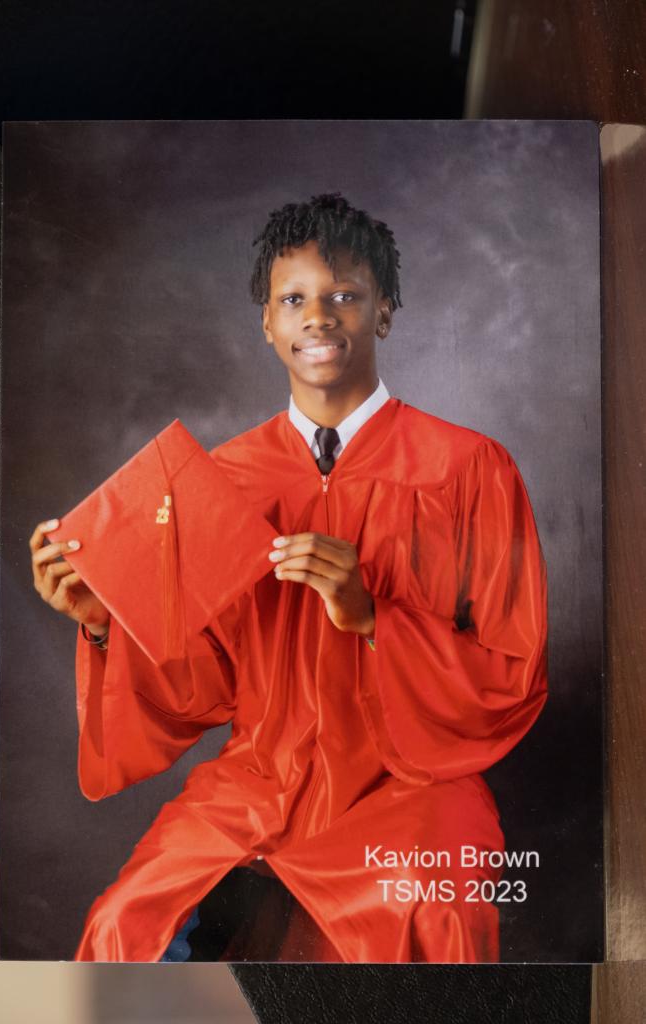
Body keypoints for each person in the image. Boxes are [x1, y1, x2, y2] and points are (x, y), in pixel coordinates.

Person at [29, 192, 548, 963]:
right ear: (266, 322)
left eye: (345, 296)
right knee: (123, 924)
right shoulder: (221, 482)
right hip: (260, 774)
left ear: (384, 312)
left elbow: (514, 668)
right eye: (294, 299)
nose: (319, 317)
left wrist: (375, 617)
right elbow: (198, 681)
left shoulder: (467, 467)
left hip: (411, 784)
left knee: (438, 908)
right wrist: (106, 621)